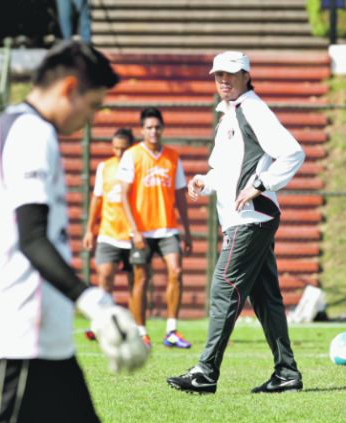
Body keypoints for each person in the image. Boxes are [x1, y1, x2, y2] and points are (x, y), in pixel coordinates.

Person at [0, 40, 149, 423]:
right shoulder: (31, 133)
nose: (93, 120)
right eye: (94, 106)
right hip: (19, 343)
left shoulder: (2, 128)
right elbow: (30, 237)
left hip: (47, 347)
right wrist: (96, 302)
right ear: (69, 88)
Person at [166, 51, 305, 394]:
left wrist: (261, 185)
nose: (223, 81)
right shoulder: (230, 113)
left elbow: (293, 152)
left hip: (251, 219)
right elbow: (226, 169)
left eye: (230, 74)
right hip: (247, 219)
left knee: (224, 287)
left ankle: (206, 372)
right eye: (218, 75)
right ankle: (287, 372)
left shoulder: (252, 109)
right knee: (266, 299)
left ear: (246, 75)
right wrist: (204, 180)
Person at [118, 107, 193, 349]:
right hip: (141, 230)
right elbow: (124, 196)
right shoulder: (132, 155)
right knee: (141, 280)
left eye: (157, 127)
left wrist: (187, 230)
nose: (154, 131)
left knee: (177, 271)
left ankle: (171, 330)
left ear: (163, 129)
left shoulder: (172, 157)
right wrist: (135, 230)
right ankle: (141, 332)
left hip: (167, 228)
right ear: (142, 130)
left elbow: (181, 195)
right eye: (149, 127)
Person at [82, 127, 136, 340]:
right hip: (109, 232)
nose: (119, 153)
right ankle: (100, 324)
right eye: (115, 148)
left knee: (135, 282)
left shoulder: (137, 167)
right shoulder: (105, 167)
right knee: (104, 276)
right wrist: (89, 229)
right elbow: (97, 199)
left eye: (123, 149)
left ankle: (133, 325)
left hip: (132, 234)